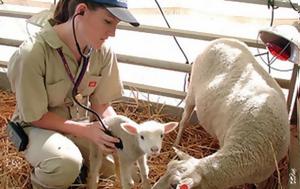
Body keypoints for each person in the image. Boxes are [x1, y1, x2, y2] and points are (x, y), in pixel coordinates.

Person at [7, 0, 139, 188]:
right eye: (108, 22)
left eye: (117, 25)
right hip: (37, 128)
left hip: (79, 127)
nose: (113, 33)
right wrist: (87, 131)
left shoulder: (102, 51)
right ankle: (46, 178)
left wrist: (119, 133)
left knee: (131, 166)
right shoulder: (32, 53)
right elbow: (35, 116)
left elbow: (101, 105)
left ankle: (77, 171)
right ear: (81, 11)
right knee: (65, 163)